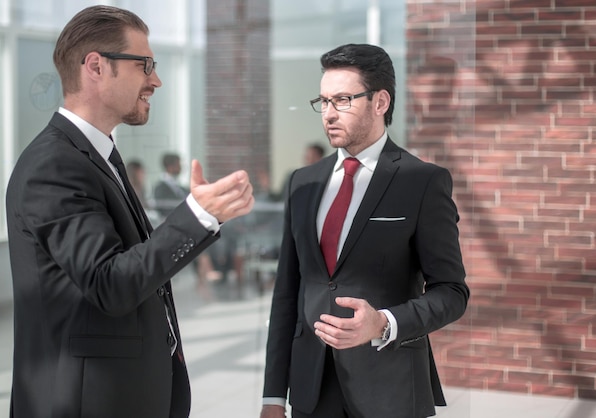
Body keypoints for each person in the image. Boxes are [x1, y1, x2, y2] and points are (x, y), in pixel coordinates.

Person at [5, 6, 254, 418]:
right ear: (96, 67)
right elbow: (109, 283)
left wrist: (204, 217)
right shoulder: (54, 165)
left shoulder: (100, 157)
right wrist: (197, 217)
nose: (155, 80)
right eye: (145, 65)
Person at [260, 43, 469, 418]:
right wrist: (273, 395)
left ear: (380, 102)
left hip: (390, 390)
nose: (328, 114)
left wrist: (384, 323)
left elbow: (452, 292)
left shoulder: (422, 181)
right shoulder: (302, 182)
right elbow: (287, 294)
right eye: (323, 101)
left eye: (342, 99)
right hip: (311, 390)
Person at [154, 152, 223, 293]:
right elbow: (163, 208)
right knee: (199, 235)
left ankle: (203, 280)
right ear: (171, 166)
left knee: (205, 232)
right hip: (174, 224)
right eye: (179, 164)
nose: (181, 167)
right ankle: (206, 275)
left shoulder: (181, 187)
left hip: (187, 223)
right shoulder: (160, 187)